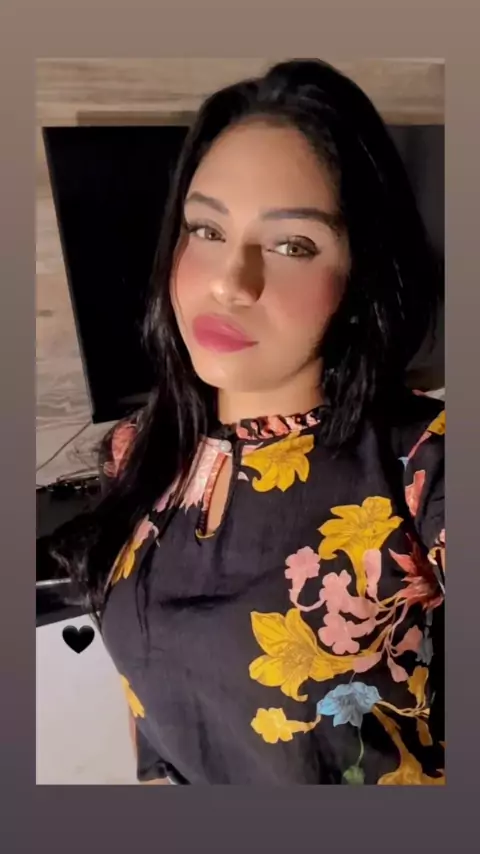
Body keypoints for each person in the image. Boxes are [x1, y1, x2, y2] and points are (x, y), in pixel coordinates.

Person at [52, 58, 445, 785]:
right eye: (206, 229)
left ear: (359, 278)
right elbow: (155, 709)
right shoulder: (138, 453)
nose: (231, 283)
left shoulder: (425, 466)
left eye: (293, 245)